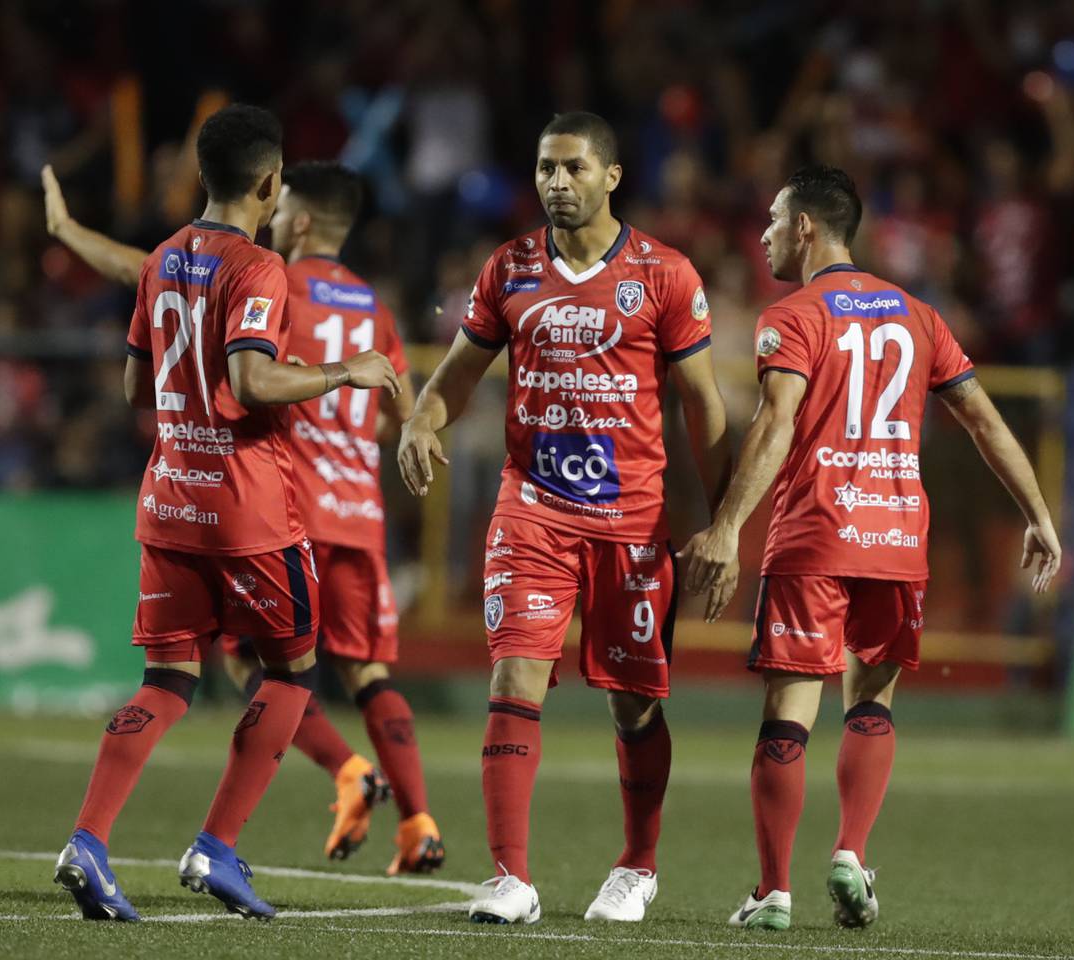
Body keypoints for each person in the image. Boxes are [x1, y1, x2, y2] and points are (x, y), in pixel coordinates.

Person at [680, 165, 1062, 931]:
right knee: (872, 699)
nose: (761, 235)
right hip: (894, 536)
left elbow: (778, 421)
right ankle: (852, 850)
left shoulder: (791, 315)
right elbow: (984, 420)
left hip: (815, 532)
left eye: (773, 220)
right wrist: (1038, 512)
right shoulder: (920, 314)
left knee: (791, 708)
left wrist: (725, 526)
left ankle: (773, 892)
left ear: (806, 229)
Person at [42, 161, 443, 874]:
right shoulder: (373, 309)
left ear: (302, 220)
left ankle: (344, 772)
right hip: (360, 513)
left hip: (280, 507)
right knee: (367, 673)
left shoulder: (268, 274)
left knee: (238, 664)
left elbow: (157, 275)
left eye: (284, 207)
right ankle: (418, 821)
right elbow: (397, 416)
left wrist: (73, 235)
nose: (274, 215)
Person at [398, 111, 732, 925]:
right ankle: (511, 875)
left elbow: (704, 408)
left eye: (574, 168)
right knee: (514, 677)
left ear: (611, 177)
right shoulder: (508, 268)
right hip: (533, 513)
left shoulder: (664, 275)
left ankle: (638, 867)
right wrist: (420, 420)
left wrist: (722, 522)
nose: (556, 182)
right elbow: (456, 377)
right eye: (546, 167)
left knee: (633, 704)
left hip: (632, 523)